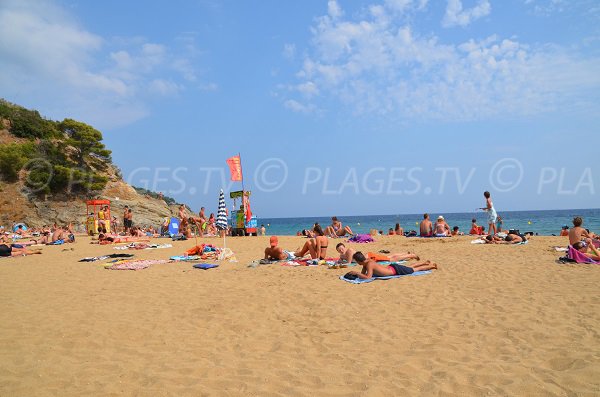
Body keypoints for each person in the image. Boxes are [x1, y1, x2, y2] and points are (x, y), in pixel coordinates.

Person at [345, 251, 437, 280]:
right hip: (391, 267)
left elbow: (368, 277)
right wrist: (358, 273)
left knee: (415, 270)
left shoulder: (369, 264)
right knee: (410, 267)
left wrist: (356, 273)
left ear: (358, 261)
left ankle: (432, 266)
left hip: (395, 271)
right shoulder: (367, 262)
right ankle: (425, 262)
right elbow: (363, 275)